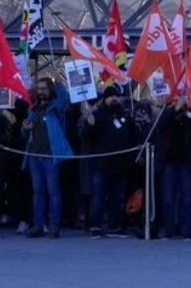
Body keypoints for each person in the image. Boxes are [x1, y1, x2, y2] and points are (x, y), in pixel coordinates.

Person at [78, 84, 135, 238]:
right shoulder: (97, 116)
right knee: (97, 196)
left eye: (116, 96)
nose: (114, 99)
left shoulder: (125, 116)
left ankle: (114, 226)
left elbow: (132, 137)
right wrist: (89, 125)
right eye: (110, 96)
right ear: (104, 99)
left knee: (118, 197)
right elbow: (86, 138)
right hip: (100, 164)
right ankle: (95, 226)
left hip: (120, 164)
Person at [21, 76, 72, 238]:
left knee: (53, 192)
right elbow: (26, 133)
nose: (40, 91)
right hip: (35, 155)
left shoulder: (56, 108)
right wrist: (25, 129)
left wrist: (58, 83)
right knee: (38, 192)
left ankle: (54, 226)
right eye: (38, 89)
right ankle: (38, 226)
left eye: (43, 89)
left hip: (51, 155)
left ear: (50, 90)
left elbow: (64, 100)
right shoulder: (33, 109)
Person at [156, 96, 191, 240]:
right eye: (176, 99)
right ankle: (168, 230)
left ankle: (187, 231)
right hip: (169, 161)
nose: (179, 102)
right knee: (168, 197)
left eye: (181, 99)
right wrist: (174, 110)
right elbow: (161, 126)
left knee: (187, 197)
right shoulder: (167, 113)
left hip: (186, 162)